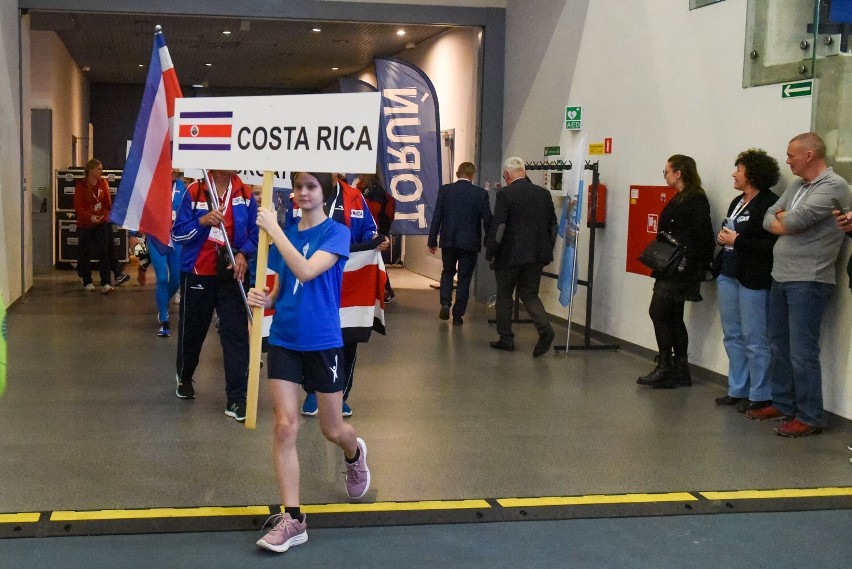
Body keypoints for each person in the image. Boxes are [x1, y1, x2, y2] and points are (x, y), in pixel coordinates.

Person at [247, 172, 370, 554]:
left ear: (323, 193)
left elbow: (305, 269)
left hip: (323, 342)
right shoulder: (286, 231)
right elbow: (285, 285)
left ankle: (354, 452)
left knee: (332, 429)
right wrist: (265, 300)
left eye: (311, 186)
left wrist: (273, 229)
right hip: (284, 339)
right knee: (285, 426)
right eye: (298, 186)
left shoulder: (337, 233)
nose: (303, 192)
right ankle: (294, 519)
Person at [747, 132, 851, 437]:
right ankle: (783, 402)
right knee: (778, 343)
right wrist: (783, 220)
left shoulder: (834, 186)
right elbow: (769, 218)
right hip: (781, 274)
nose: (788, 160)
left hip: (809, 278)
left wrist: (784, 221)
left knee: (802, 351)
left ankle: (809, 416)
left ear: (809, 155)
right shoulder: (796, 185)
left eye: (792, 155)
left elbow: (792, 222)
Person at [299, 173, 389, 417]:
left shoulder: (354, 196)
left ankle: (340, 393)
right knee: (313, 334)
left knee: (347, 338)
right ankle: (312, 391)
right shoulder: (304, 191)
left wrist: (376, 241)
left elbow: (369, 230)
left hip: (349, 279)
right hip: (314, 276)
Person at [171, 170, 258, 422]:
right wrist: (202, 221)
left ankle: (236, 397)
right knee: (192, 331)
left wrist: (243, 254)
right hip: (198, 271)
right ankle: (185, 376)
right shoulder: (196, 190)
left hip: (232, 273)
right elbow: (177, 234)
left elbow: (255, 233)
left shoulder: (245, 194)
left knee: (236, 334)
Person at [637, 155, 714, 389]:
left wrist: (696, 266)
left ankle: (666, 366)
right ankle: (679, 368)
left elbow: (704, 236)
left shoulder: (694, 199)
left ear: (679, 172)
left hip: (680, 268)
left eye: (667, 172)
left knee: (658, 312)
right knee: (672, 316)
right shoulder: (684, 197)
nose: (666, 176)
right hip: (674, 266)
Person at [712, 149, 779, 412]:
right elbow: (729, 232)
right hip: (729, 273)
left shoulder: (768, 204)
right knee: (732, 335)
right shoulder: (737, 201)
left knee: (755, 337)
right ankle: (737, 388)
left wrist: (736, 241)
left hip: (753, 277)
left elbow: (770, 244)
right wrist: (723, 240)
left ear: (752, 173)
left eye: (738, 169)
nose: (734, 173)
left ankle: (761, 393)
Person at [485, 157, 557, 357]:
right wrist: (546, 251)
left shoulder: (505, 194)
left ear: (507, 175)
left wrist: (491, 252)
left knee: (505, 296)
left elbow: (499, 227)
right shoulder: (543, 194)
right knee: (530, 294)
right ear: (524, 172)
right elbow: (553, 226)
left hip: (509, 255)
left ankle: (506, 338)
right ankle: (545, 330)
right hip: (536, 256)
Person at [427, 161, 493, 325]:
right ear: (472, 175)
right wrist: (489, 241)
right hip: (470, 243)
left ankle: (445, 303)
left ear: (458, 173)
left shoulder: (445, 191)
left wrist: (432, 240)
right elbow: (488, 220)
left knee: (448, 272)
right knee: (464, 278)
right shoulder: (480, 194)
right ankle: (458, 315)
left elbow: (437, 216)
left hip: (449, 240)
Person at [74, 158, 129, 294]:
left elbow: (107, 204)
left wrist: (103, 216)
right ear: (91, 170)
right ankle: (87, 281)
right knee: (85, 253)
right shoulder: (80, 186)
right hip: (85, 224)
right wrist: (90, 217)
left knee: (103, 252)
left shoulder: (103, 183)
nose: (101, 171)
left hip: (101, 223)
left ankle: (106, 282)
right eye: (98, 169)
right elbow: (78, 207)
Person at [147, 169, 187, 337]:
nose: (174, 170)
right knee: (163, 278)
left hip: (176, 237)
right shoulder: (153, 186)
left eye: (177, 167)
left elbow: (186, 211)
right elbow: (143, 210)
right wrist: (133, 234)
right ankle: (164, 318)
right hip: (157, 236)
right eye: (170, 166)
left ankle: (162, 303)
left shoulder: (181, 187)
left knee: (177, 279)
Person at [360, 173, 396, 302]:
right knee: (376, 261)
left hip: (374, 232)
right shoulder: (373, 190)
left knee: (376, 262)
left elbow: (372, 213)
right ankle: (385, 290)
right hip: (376, 231)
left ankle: (386, 290)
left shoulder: (373, 192)